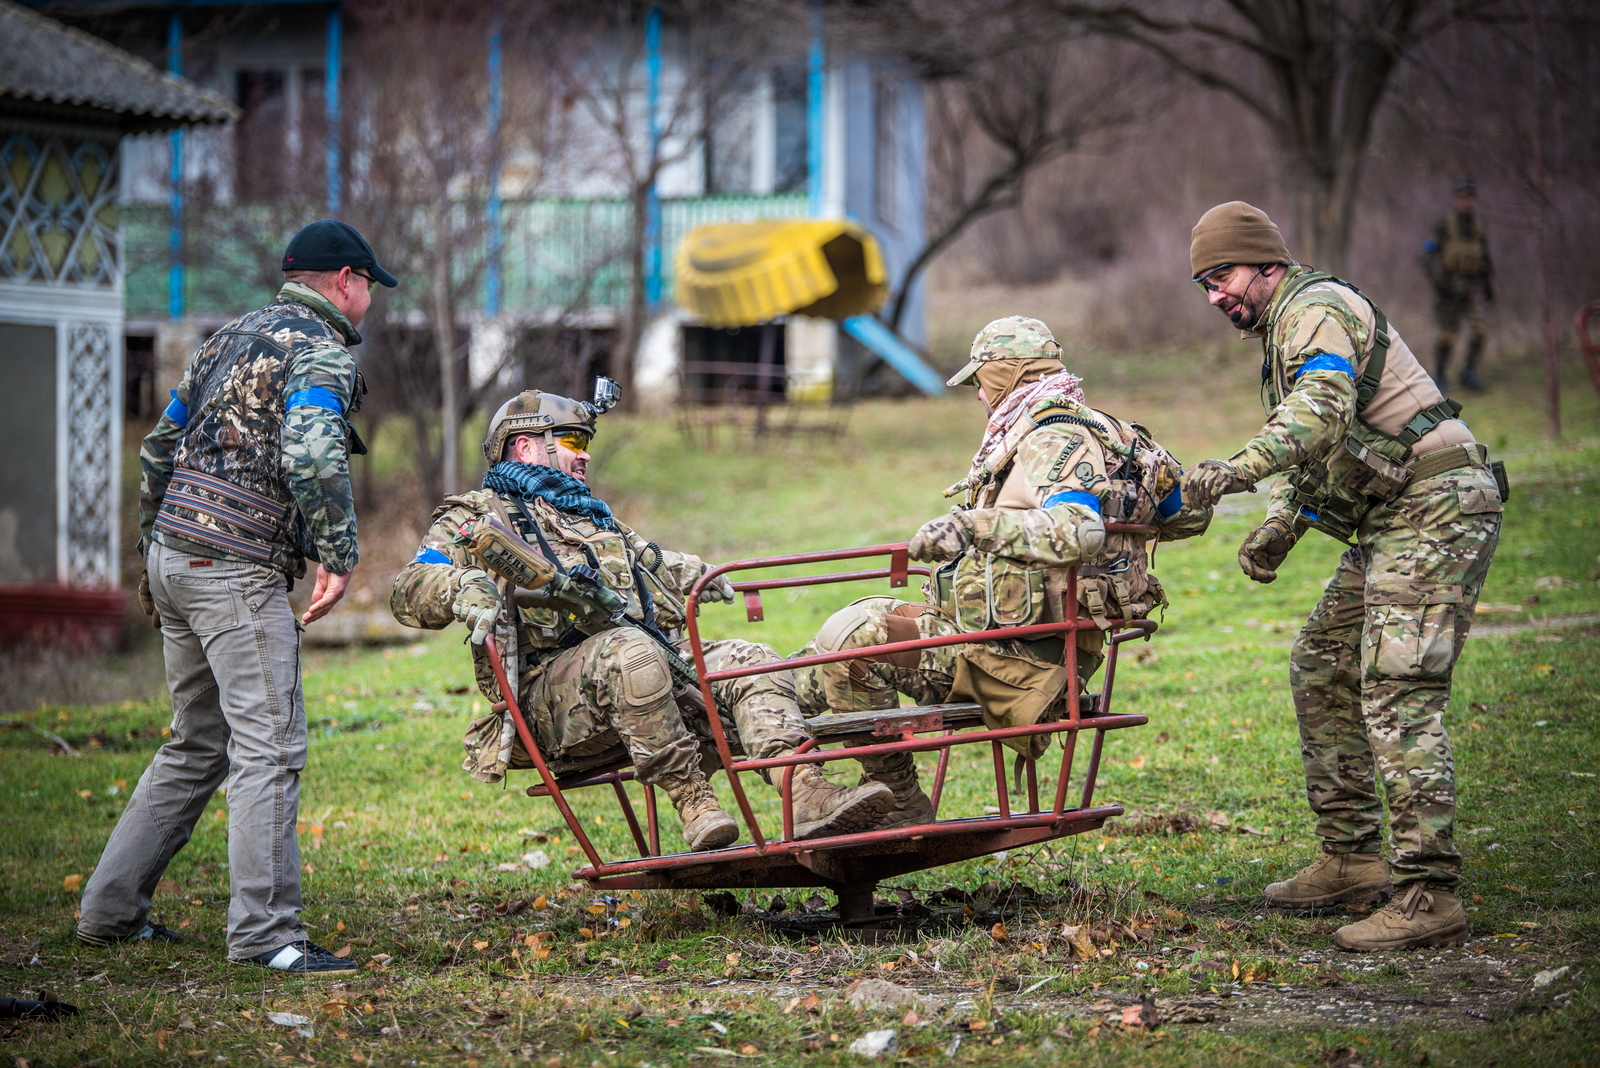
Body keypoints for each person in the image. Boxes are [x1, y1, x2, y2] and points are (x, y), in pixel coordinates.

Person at [77, 220, 397, 976]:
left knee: (196, 741)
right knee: (270, 745)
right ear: (346, 280)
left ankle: (110, 911)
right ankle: (266, 936)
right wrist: (339, 553)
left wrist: (160, 551)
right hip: (236, 566)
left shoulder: (228, 337)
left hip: (175, 557)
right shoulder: (322, 349)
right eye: (370, 286)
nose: (371, 300)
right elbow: (314, 450)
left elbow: (160, 444)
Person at [1182, 201, 1504, 951]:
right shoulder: (1286, 325)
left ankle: (1429, 894)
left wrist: (1239, 471)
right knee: (1322, 665)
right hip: (1394, 512)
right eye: (1203, 283)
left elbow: (1320, 413)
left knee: (1397, 690)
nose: (1215, 296)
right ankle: (1354, 859)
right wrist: (1281, 528)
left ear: (1266, 263)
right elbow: (1343, 450)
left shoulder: (1317, 309)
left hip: (1437, 505)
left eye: (1223, 275)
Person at [389, 387, 892, 853]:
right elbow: (409, 587)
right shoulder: (476, 519)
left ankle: (804, 791)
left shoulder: (591, 518)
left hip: (647, 667)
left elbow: (652, 565)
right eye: (571, 440)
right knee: (630, 651)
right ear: (525, 447)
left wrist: (700, 575)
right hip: (550, 706)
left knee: (748, 659)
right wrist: (462, 587)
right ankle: (693, 800)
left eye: (586, 440)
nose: (584, 452)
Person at [788, 316, 1213, 828]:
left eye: (979, 381)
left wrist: (974, 524)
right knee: (816, 658)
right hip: (1012, 640)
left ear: (1006, 376)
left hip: (1020, 661)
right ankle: (765, 724)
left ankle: (896, 800)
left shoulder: (1053, 439)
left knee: (856, 637)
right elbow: (1188, 515)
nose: (977, 396)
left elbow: (1080, 531)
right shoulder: (1112, 434)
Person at [1424, 177, 1493, 392]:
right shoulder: (1445, 224)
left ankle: (1468, 373)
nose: (1467, 202)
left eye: (1470, 198)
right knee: (1448, 334)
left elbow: (1484, 258)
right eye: (1463, 198)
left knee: (1480, 330)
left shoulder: (1478, 225)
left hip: (1472, 287)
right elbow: (1428, 258)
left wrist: (1488, 286)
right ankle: (1440, 376)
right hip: (1450, 287)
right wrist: (1440, 285)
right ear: (1456, 199)